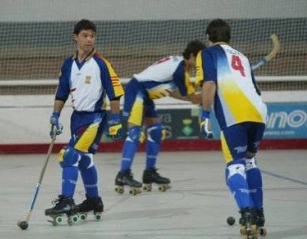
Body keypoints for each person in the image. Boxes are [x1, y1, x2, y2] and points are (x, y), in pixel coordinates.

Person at [45, 19, 124, 222]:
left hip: (95, 118)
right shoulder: (68, 64)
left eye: (92, 36)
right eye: (85, 35)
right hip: (76, 118)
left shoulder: (101, 64)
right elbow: (61, 93)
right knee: (85, 160)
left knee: (69, 156)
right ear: (76, 37)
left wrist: (115, 120)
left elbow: (114, 94)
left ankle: (67, 201)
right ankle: (93, 200)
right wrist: (55, 116)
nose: (89, 39)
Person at [197, 18, 267, 236]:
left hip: (234, 114)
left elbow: (209, 84)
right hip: (259, 112)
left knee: (234, 166)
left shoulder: (207, 53)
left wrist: (205, 115)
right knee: (250, 160)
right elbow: (255, 89)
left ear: (209, 39)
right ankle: (258, 213)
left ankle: (246, 213)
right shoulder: (242, 56)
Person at [114, 40, 206, 195]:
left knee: (156, 131)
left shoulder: (177, 63)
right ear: (191, 56)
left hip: (145, 94)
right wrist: (211, 95)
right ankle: (123, 174)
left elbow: (173, 92)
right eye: (200, 60)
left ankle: (149, 172)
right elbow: (190, 96)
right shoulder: (180, 69)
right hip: (137, 91)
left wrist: (198, 97)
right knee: (135, 133)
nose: (200, 64)